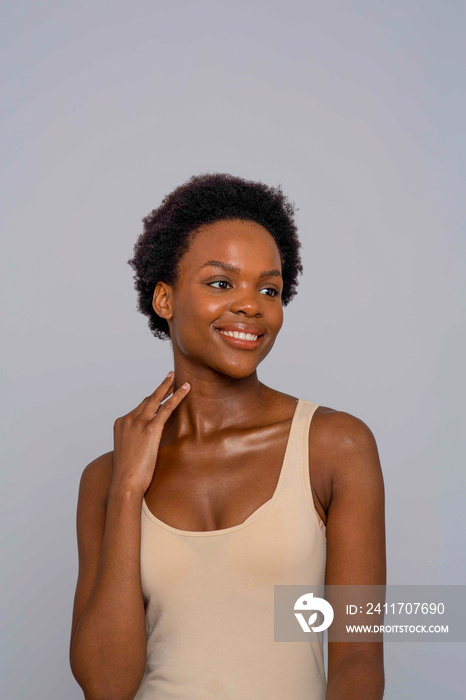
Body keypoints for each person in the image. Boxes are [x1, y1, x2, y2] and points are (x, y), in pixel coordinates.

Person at [69, 173, 386, 700]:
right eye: (221, 283)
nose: (251, 305)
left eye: (270, 289)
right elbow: (105, 686)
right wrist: (127, 490)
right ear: (164, 299)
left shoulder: (335, 446)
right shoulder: (106, 478)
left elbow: (358, 655)